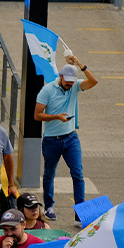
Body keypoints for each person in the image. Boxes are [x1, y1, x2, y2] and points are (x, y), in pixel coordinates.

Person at [36, 59, 97, 219]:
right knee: (49, 174)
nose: (70, 85)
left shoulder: (75, 86)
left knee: (78, 174)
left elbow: (93, 81)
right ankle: (49, 207)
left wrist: (79, 64)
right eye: (67, 82)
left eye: (72, 82)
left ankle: (80, 212)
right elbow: (37, 115)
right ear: (60, 76)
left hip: (71, 138)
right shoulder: (47, 90)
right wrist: (57, 117)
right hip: (51, 139)